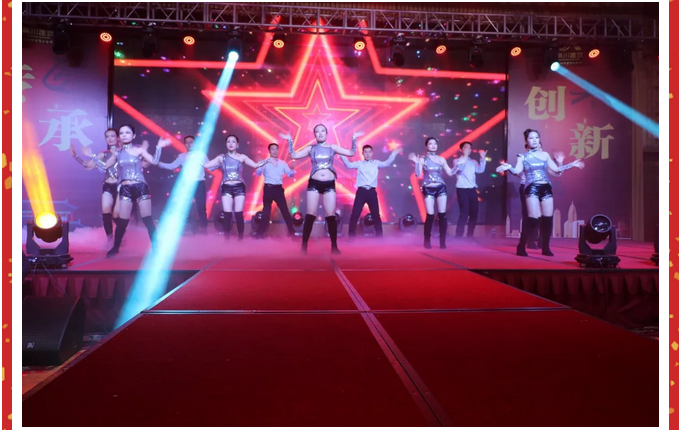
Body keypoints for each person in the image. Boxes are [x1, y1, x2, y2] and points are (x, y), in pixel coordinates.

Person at [81, 124, 171, 257]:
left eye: (127, 133)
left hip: (140, 187)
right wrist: (92, 155)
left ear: (133, 136)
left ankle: (156, 248)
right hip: (125, 188)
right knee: (122, 221)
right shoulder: (117, 153)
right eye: (122, 133)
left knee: (147, 219)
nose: (124, 135)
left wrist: (159, 147)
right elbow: (105, 166)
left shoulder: (139, 150)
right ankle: (115, 248)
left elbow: (154, 161)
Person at [496, 129, 584, 256]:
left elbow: (557, 170)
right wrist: (509, 167)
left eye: (536, 137)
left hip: (546, 187)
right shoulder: (522, 156)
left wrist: (571, 164)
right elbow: (517, 171)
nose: (534, 140)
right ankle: (521, 246)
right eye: (531, 138)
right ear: (526, 141)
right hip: (532, 187)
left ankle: (546, 248)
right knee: (533, 219)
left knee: (548, 219)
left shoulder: (545, 155)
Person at [283, 124, 360, 254]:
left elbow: (352, 153)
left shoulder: (332, 147)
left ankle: (334, 247)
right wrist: (290, 140)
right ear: (314, 134)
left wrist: (354, 138)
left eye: (322, 131)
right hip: (314, 183)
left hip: (329, 184)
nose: (320, 133)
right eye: (317, 131)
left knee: (331, 215)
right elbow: (294, 156)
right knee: (310, 215)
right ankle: (304, 247)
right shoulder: (311, 148)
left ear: (326, 133)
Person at [204, 135, 268, 240]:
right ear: (226, 144)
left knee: (239, 213)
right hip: (226, 187)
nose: (231, 143)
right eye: (228, 141)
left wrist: (267, 160)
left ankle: (240, 239)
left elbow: (255, 165)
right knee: (227, 214)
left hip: (239, 187)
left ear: (237, 144)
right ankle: (227, 239)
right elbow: (206, 165)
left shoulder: (242, 157)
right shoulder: (221, 157)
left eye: (233, 141)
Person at [341, 145, 402, 239]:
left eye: (369, 152)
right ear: (362, 153)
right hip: (361, 192)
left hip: (372, 192)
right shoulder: (359, 164)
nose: (368, 154)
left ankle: (379, 237)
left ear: (372, 153)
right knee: (355, 214)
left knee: (376, 215)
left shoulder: (376, 163)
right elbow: (348, 165)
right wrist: (342, 154)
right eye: (366, 152)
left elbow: (387, 163)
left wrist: (394, 153)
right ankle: (351, 236)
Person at [71, 128, 121, 240]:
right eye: (107, 136)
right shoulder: (103, 154)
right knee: (106, 214)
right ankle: (110, 240)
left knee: (116, 215)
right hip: (107, 186)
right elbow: (88, 166)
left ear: (118, 138)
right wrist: (75, 156)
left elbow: (104, 166)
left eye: (112, 136)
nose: (110, 138)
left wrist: (91, 155)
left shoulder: (122, 153)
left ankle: (120, 236)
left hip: (120, 187)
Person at [408, 137, 457, 249]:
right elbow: (417, 175)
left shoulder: (441, 159)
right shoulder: (422, 159)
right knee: (430, 215)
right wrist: (416, 162)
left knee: (442, 215)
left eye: (435, 144)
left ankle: (442, 242)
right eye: (430, 144)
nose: (433, 146)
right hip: (428, 188)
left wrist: (458, 166)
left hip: (441, 187)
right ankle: (427, 241)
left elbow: (450, 173)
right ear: (426, 146)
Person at [157, 135, 209, 234]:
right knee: (184, 206)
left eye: (191, 142)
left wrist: (220, 162)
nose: (189, 144)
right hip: (187, 184)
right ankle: (186, 228)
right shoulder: (182, 156)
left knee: (201, 207)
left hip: (199, 183)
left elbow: (210, 166)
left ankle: (204, 229)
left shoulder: (201, 155)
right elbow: (172, 166)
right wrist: (159, 163)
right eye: (187, 142)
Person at [254, 143, 296, 238]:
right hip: (268, 188)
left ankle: (291, 232)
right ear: (269, 151)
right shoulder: (265, 162)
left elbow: (290, 174)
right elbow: (258, 173)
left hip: (278, 189)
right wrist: (259, 165)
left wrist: (293, 168)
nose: (274, 151)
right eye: (272, 149)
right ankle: (259, 234)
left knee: (285, 211)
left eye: (276, 149)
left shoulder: (282, 163)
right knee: (266, 212)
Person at [453, 141, 487, 239]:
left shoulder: (473, 162)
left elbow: (480, 170)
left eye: (470, 148)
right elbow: (460, 169)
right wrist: (465, 157)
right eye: (466, 147)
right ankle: (458, 236)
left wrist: (482, 158)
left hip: (472, 189)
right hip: (462, 189)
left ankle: (470, 236)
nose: (468, 149)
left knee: (474, 213)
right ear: (461, 150)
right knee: (464, 213)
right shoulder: (456, 161)